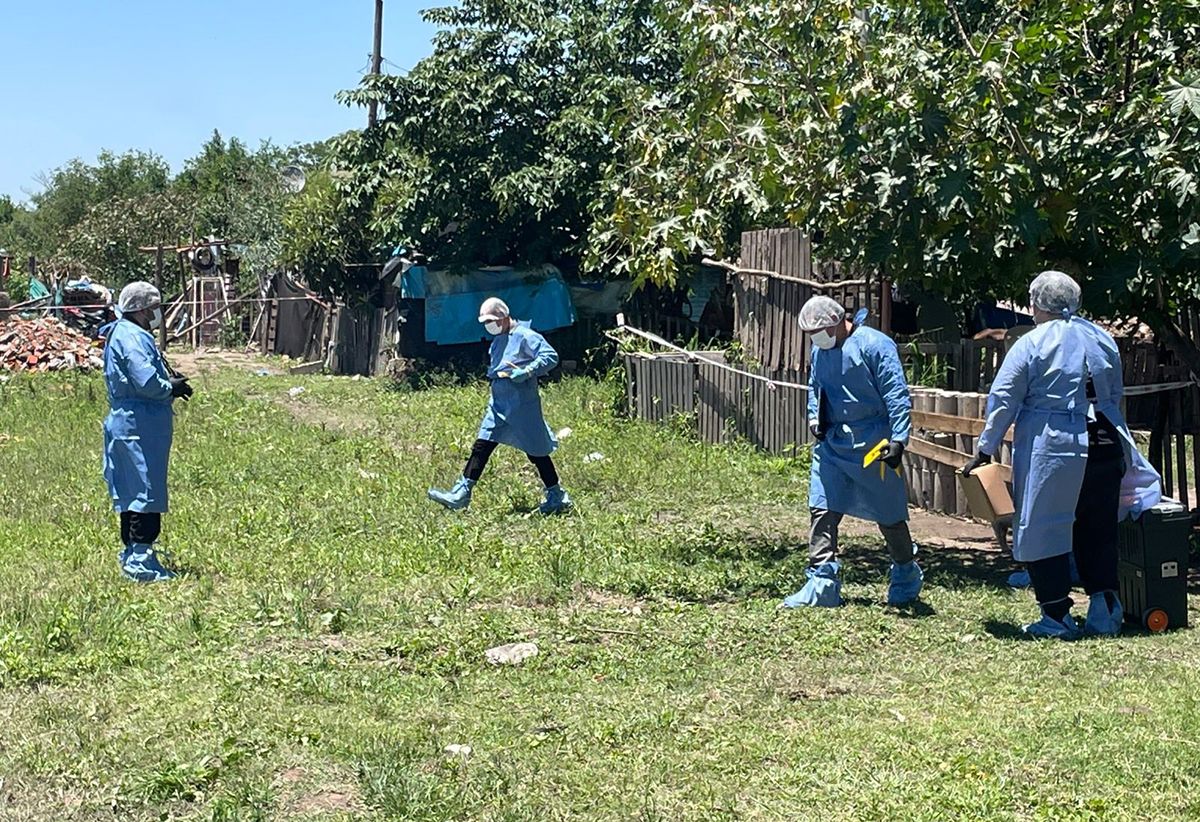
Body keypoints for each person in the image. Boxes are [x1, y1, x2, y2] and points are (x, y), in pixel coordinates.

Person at [963, 271, 1161, 639]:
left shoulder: (1031, 343)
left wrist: (985, 448)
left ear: (1037, 302)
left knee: (1042, 526)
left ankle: (1055, 616)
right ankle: (1105, 612)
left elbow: (1005, 398)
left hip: (1054, 446)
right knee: (1099, 530)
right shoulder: (1102, 339)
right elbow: (1114, 395)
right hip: (1106, 442)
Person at [782, 296, 922, 608]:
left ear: (836, 322)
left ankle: (906, 574)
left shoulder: (875, 345)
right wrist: (815, 419)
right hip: (833, 444)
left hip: (875, 444)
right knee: (822, 508)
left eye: (819, 331)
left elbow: (896, 393)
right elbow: (815, 388)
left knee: (890, 516)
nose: (815, 338)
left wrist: (899, 439)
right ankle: (822, 582)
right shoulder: (821, 350)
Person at [428, 297, 572, 514]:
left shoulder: (525, 335)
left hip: (522, 405)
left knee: (536, 451)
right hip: (498, 404)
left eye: (492, 320)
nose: (489, 325)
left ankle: (556, 495)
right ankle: (462, 492)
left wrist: (528, 371)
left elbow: (550, 356)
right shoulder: (498, 340)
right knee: (482, 445)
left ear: (504, 317)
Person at [100, 282, 193, 582]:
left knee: (130, 490)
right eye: (154, 308)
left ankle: (131, 552)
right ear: (141, 310)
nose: (157, 314)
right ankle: (141, 559)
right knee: (146, 490)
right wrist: (170, 387)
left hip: (128, 421)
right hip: (140, 425)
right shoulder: (133, 338)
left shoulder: (121, 333)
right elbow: (146, 380)